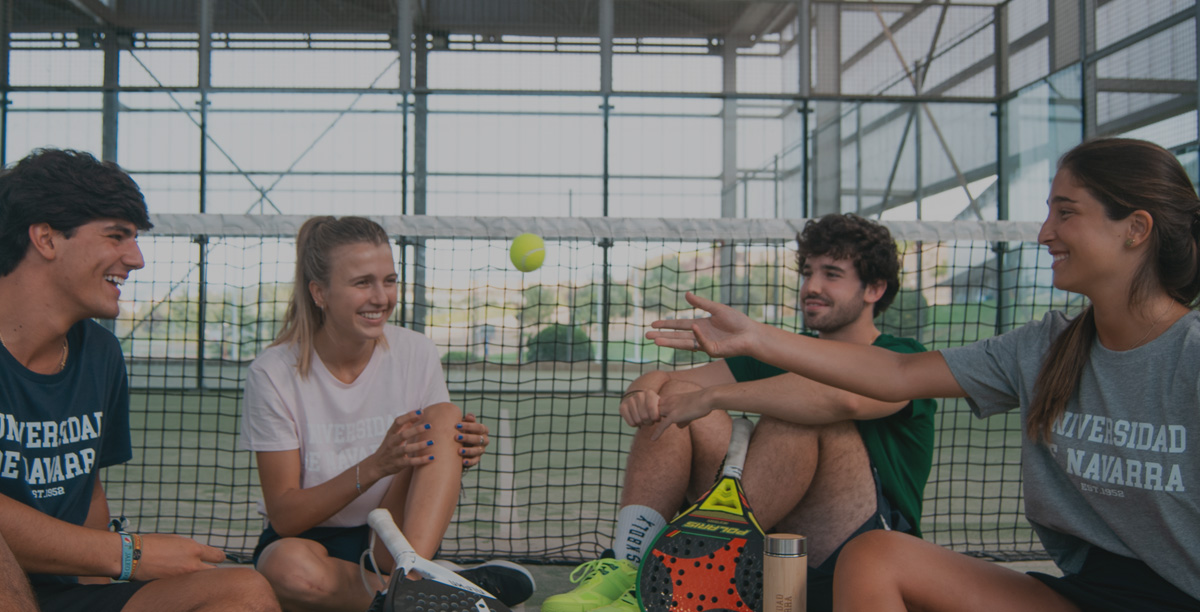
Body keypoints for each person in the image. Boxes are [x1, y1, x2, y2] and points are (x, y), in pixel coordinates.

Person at [648, 138, 1200, 611]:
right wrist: (756, 336)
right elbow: (898, 372)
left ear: (1135, 229)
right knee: (875, 557)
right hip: (1085, 594)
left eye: (1066, 211)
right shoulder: (1048, 345)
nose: (1045, 232)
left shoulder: (1190, 356)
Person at [544, 214, 936, 612]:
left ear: (875, 288)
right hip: (763, 563)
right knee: (678, 395)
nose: (812, 287)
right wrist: (642, 389)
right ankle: (630, 573)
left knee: (798, 411)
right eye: (808, 272)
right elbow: (667, 382)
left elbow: (840, 398)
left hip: (852, 563)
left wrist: (714, 397)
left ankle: (692, 570)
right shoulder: (782, 351)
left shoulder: (901, 359)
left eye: (832, 274)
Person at [0, 148, 280, 612]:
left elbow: (86, 489)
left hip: (57, 591)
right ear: (46, 239)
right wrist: (129, 554)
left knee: (242, 594)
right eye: (117, 236)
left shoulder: (100, 354)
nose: (136, 259)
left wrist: (103, 576)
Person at [241, 216, 534, 612]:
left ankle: (413, 583)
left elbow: (429, 460)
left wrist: (456, 451)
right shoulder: (272, 373)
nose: (381, 297)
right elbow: (285, 517)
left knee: (446, 417)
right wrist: (376, 465)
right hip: (308, 539)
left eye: (389, 280)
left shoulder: (417, 351)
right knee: (286, 571)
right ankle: (445, 591)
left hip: (394, 539)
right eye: (362, 283)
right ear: (319, 293)